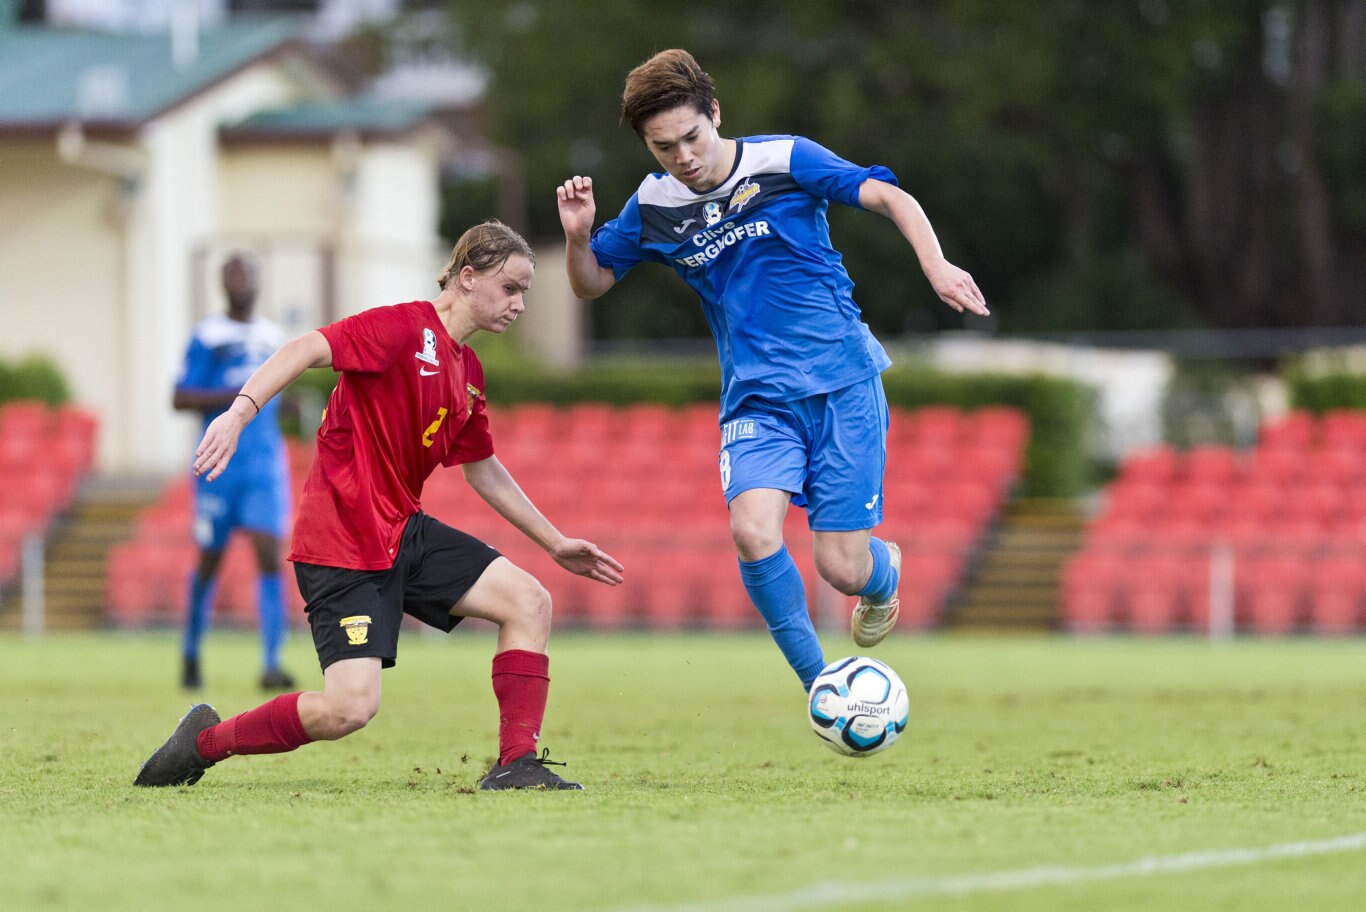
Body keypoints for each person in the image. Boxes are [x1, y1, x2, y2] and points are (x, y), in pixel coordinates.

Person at [135, 220, 624, 791]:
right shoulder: (399, 328)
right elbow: (304, 348)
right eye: (511, 288)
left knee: (529, 601)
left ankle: (516, 762)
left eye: (525, 293)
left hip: (403, 532)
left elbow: (482, 469)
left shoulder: (467, 372)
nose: (519, 304)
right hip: (342, 542)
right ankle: (202, 743)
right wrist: (240, 412)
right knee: (349, 709)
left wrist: (554, 542)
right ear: (467, 277)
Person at [557, 50, 988, 693]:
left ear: (716, 115)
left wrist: (936, 265)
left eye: (692, 137)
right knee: (752, 531)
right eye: (664, 146)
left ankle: (883, 574)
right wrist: (576, 237)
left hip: (842, 382)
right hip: (757, 400)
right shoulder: (654, 206)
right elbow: (592, 284)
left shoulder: (785, 159)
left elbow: (888, 195)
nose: (684, 158)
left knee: (842, 568)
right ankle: (823, 688)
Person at [172, 254, 294, 692]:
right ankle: (190, 653)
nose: (241, 279)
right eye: (233, 273)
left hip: (262, 463)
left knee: (268, 552)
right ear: (223, 283)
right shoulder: (208, 335)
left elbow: (283, 389)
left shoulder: (273, 336)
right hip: (218, 463)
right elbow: (179, 397)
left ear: (258, 281)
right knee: (210, 558)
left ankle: (272, 661)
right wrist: (241, 395)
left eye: (247, 272)